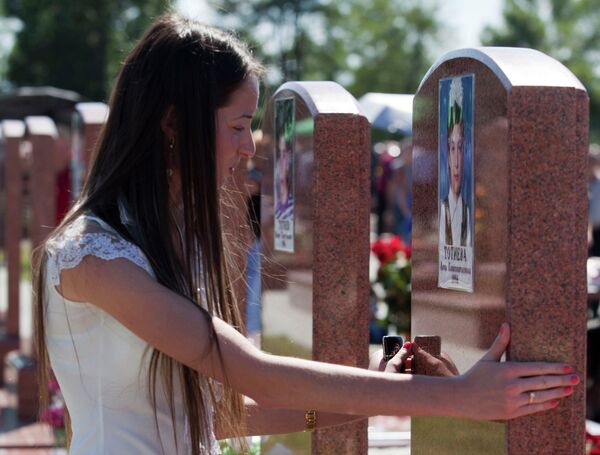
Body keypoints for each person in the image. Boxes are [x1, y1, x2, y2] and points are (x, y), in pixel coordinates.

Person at [33, 14, 578, 455]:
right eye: (238, 126)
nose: (250, 148)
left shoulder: (163, 241)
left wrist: (386, 389)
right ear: (173, 124)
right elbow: (253, 374)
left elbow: (218, 418)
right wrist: (457, 398)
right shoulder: (94, 256)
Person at [440, 77, 471, 247]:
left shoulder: (468, 210)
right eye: (452, 148)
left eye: (461, 148)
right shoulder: (443, 209)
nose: (457, 162)